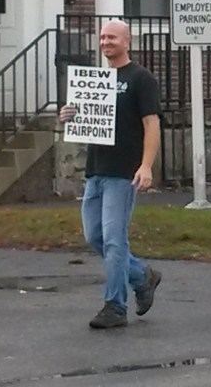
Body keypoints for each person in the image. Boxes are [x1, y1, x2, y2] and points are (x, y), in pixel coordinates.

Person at [58, 20, 162, 329]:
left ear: (127, 41)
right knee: (95, 236)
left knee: (115, 240)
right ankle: (143, 277)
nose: (106, 42)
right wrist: (69, 114)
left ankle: (115, 306)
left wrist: (146, 165)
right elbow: (86, 118)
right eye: (102, 37)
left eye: (112, 37)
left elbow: (151, 124)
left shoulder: (141, 79)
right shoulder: (96, 79)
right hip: (96, 169)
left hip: (124, 171)